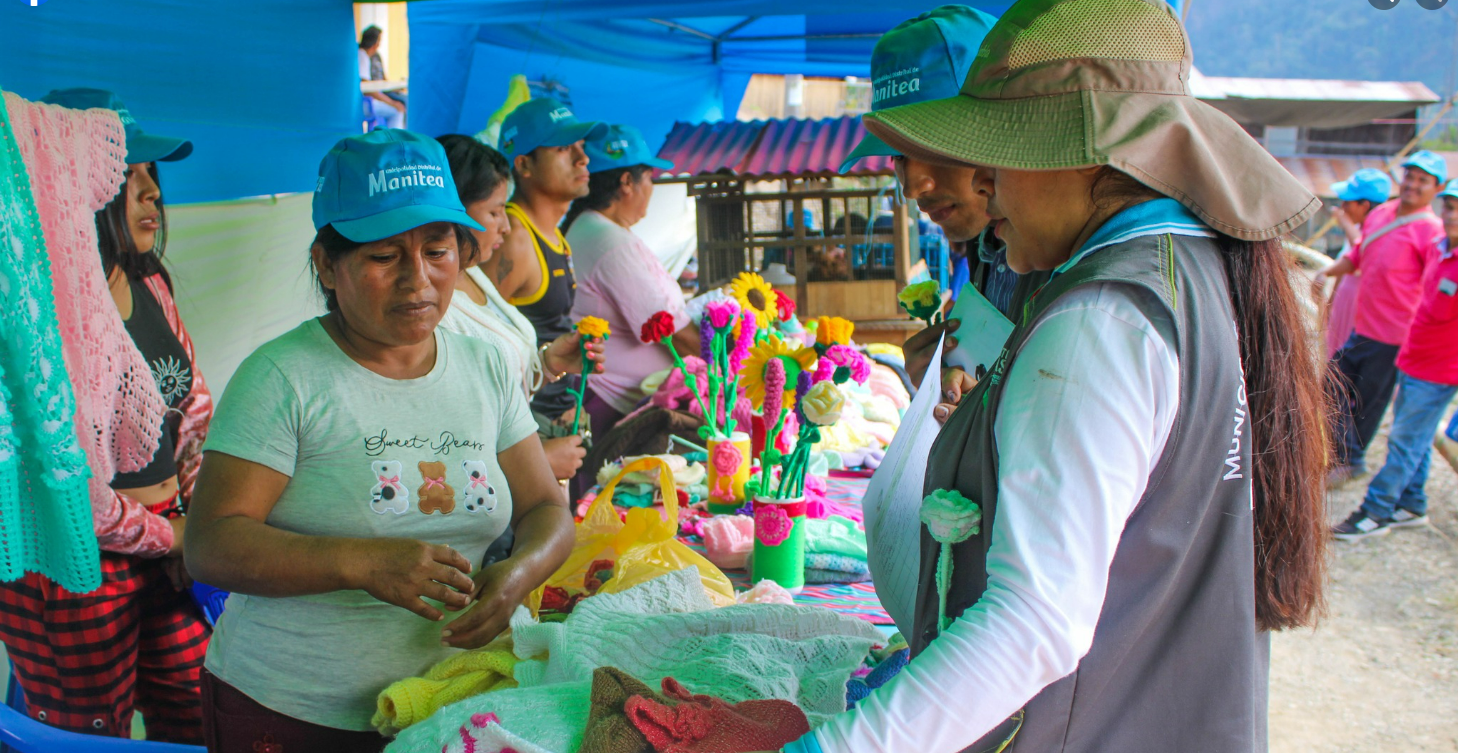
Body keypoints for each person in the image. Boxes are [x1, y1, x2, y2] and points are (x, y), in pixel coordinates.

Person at [776, 1, 1329, 751]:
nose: (988, 191)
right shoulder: (1188, 272)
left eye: (996, 160)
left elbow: (1033, 620)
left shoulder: (1099, 317)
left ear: (1080, 153)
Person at [183, 130, 574, 752]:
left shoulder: (484, 366)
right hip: (294, 713)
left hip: (446, 699)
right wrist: (361, 562)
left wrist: (517, 574)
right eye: (385, 257)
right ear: (325, 265)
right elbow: (209, 544)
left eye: (438, 252)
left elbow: (546, 507)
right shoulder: (284, 377)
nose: (417, 281)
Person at [0, 88, 210, 743]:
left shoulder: (150, 279)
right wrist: (173, 538)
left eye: (154, 175)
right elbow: (66, 486)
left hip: (171, 539)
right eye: (128, 175)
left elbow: (193, 406)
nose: (152, 193)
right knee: (87, 734)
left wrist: (194, 518)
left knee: (195, 699)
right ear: (63, 180)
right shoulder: (28, 319)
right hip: (72, 568)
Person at [838, 6, 1040, 417]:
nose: (913, 187)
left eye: (933, 146)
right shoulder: (987, 249)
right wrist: (944, 387)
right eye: (898, 156)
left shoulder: (1071, 263)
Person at [435, 134, 604, 483]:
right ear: (454, 211)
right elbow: (449, 432)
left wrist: (548, 361)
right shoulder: (434, 310)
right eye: (495, 211)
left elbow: (500, 382)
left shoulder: (474, 275)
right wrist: (537, 460)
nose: (506, 224)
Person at [1333, 179, 1458, 539]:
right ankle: (1412, 504)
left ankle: (1375, 512)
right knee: (1412, 435)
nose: (1452, 216)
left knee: (1404, 439)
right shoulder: (1439, 248)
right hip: (1412, 355)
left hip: (1439, 369)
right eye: (1449, 207)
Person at [566, 123, 699, 442]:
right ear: (626, 182)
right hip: (614, 405)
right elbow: (670, 331)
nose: (651, 188)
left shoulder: (592, 229)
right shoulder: (608, 241)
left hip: (614, 397)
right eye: (650, 178)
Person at [1319, 151, 1445, 482]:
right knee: (1331, 385)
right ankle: (1339, 454)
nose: (1413, 185)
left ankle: (1350, 461)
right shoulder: (1383, 214)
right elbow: (1359, 255)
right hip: (1363, 325)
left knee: (1367, 402)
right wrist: (1325, 272)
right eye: (1410, 176)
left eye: (1423, 180)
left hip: (1395, 335)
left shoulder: (1431, 231)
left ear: (1436, 188)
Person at [483, 97, 606, 423]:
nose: (583, 158)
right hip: (525, 430)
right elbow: (475, 345)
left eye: (581, 146)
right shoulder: (513, 239)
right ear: (523, 165)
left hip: (555, 421)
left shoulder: (552, 234)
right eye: (564, 148)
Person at [1323, 168, 1393, 358]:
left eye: (1348, 202)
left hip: (1358, 304)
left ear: (1364, 205)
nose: (1343, 207)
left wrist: (1344, 222)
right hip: (1344, 300)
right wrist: (1329, 306)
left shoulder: (1382, 233)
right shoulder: (1357, 228)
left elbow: (1362, 254)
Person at [359, 25, 405, 130]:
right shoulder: (362, 56)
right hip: (366, 102)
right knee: (397, 111)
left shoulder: (373, 56)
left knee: (403, 100)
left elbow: (383, 80)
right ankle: (394, 141)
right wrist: (392, 103)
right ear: (375, 43)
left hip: (375, 98)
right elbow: (368, 89)